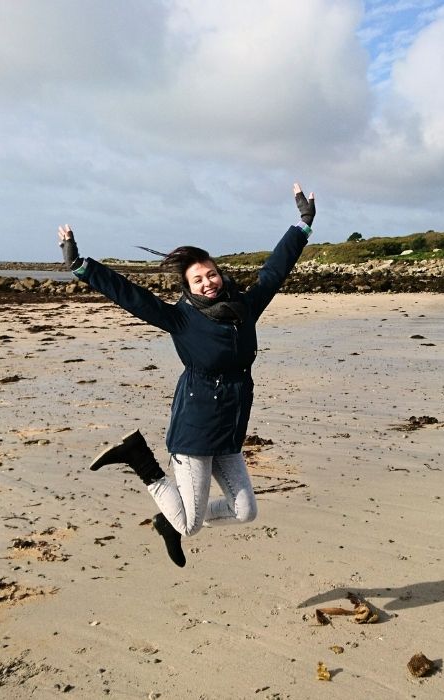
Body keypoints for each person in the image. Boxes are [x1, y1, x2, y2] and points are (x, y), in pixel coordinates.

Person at [57, 183, 315, 567]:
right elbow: (132, 296)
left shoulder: (244, 308)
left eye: (211, 274)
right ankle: (140, 460)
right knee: (190, 526)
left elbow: (275, 270)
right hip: (194, 431)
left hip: (229, 430)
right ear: (189, 287)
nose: (208, 282)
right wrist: (82, 267)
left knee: (245, 511)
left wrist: (303, 225)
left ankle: (170, 517)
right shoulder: (181, 318)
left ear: (219, 274)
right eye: (198, 280)